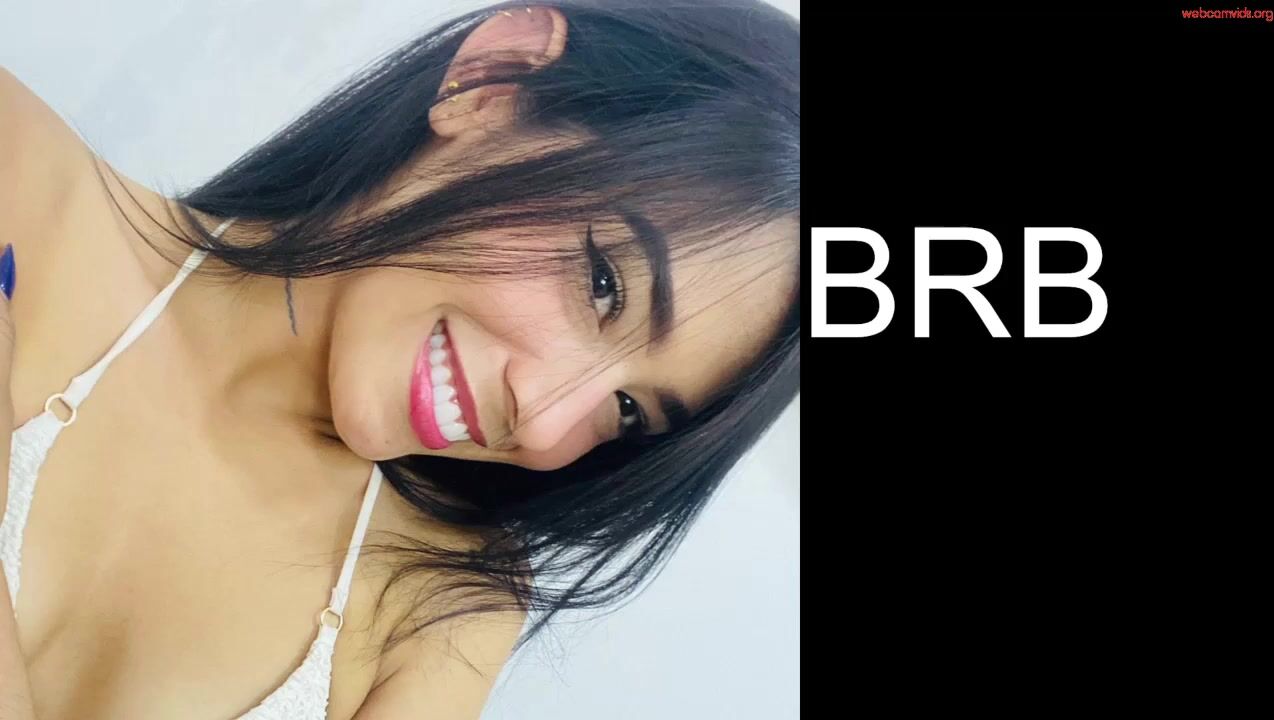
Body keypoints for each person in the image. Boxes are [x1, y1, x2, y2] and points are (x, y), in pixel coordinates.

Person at [0, 0, 799, 717]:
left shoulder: (439, 606)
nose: (543, 418)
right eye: (602, 282)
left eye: (627, 411)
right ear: (493, 81)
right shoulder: (17, 168)